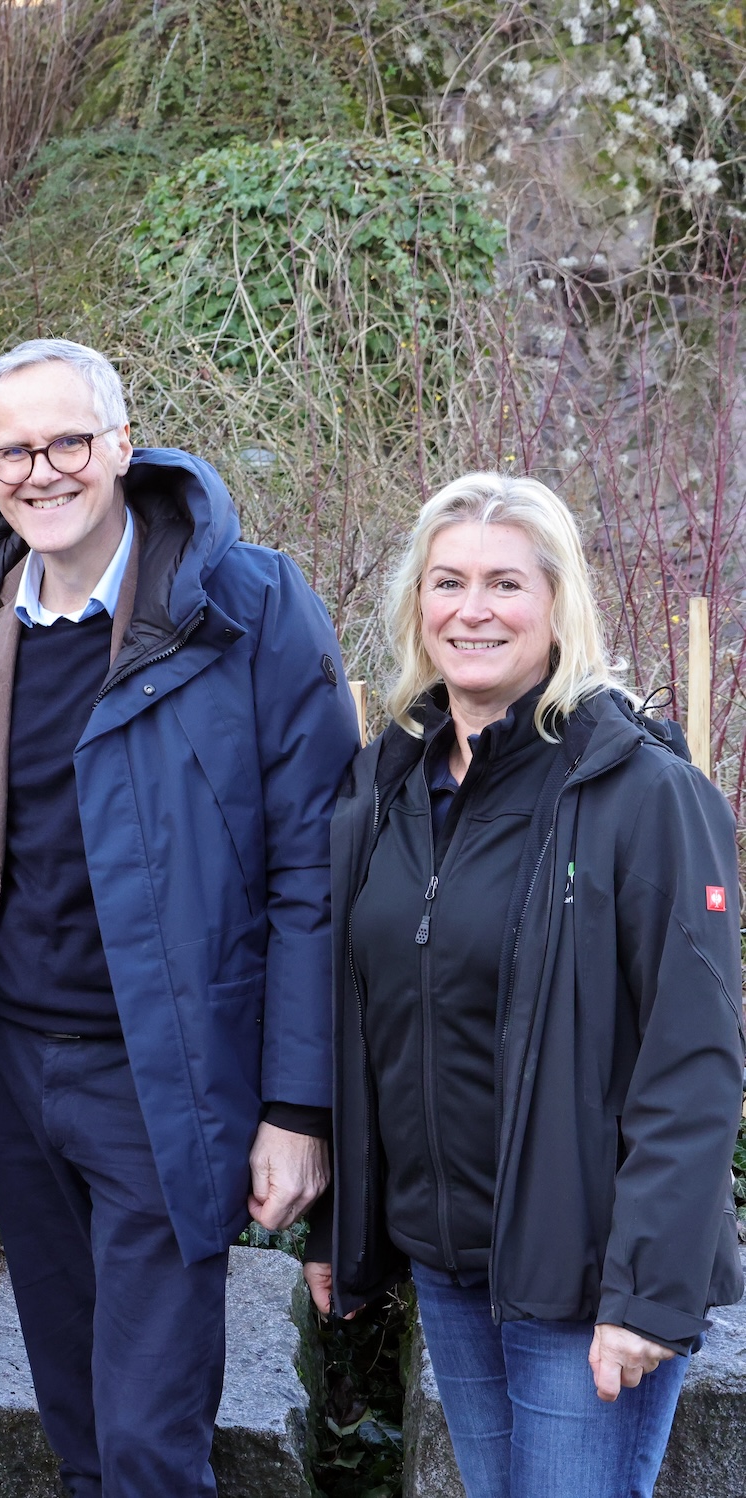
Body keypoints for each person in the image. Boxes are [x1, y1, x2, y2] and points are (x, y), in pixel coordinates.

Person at [0, 338, 355, 1496]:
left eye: (66, 442)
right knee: (81, 1425)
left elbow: (314, 869)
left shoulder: (245, 607)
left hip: (163, 1077)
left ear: (121, 445)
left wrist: (297, 1106)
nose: (39, 471)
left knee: (150, 1442)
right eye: (12, 449)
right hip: (7, 1064)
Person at [306, 473, 743, 1498]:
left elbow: (694, 1058)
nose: (472, 609)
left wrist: (643, 1291)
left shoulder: (640, 794)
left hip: (586, 1274)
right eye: (447, 581)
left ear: (557, 605)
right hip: (450, 1263)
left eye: (505, 583)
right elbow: (362, 1018)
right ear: (418, 602)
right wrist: (346, 1226)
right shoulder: (386, 785)